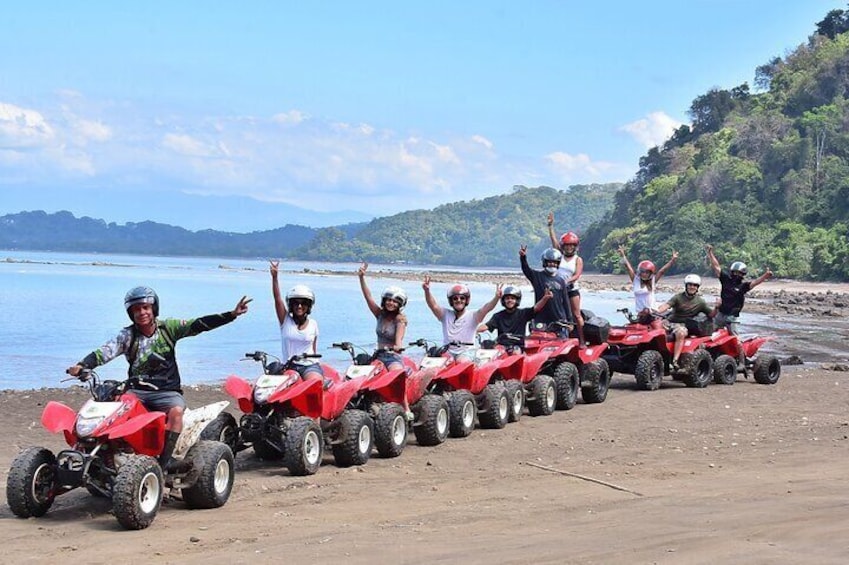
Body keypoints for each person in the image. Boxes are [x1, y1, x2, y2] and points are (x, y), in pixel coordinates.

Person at [67, 286, 251, 469]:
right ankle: (113, 454)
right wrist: (83, 365)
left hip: (166, 391)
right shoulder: (128, 335)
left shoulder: (168, 329)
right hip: (137, 390)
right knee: (114, 411)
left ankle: (166, 460)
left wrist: (231, 315)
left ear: (154, 308)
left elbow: (199, 324)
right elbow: (104, 352)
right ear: (131, 313)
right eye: (136, 309)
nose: (142, 313)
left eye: (145, 307)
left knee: (177, 412)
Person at [706, 244, 774, 371]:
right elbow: (716, 267)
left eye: (739, 273)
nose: (737, 274)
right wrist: (710, 254)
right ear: (732, 272)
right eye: (735, 272)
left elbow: (755, 283)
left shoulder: (743, 286)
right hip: (720, 314)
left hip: (732, 317)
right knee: (710, 335)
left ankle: (742, 362)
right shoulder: (725, 279)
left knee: (736, 339)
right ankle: (712, 356)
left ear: (743, 274)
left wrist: (765, 275)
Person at [423, 276, 501, 363]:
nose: (458, 300)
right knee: (441, 361)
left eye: (462, 298)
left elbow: (487, 308)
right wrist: (427, 291)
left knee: (462, 361)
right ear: (451, 301)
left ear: (466, 300)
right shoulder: (445, 314)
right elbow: (433, 305)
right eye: (455, 298)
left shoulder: (474, 316)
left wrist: (496, 298)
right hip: (448, 350)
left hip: (467, 351)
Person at [270, 260, 324, 380]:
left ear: (309, 306)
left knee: (315, 382)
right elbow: (277, 299)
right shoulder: (285, 321)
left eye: (303, 303)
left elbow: (314, 349)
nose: (299, 306)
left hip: (309, 366)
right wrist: (275, 278)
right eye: (296, 303)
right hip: (289, 366)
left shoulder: (313, 324)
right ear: (291, 305)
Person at [655, 274, 716, 370]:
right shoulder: (678, 297)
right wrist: (656, 311)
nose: (692, 287)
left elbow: (711, 314)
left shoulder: (700, 302)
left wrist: (717, 307)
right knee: (654, 328)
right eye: (690, 284)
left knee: (681, 332)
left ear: (697, 288)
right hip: (669, 321)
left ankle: (675, 361)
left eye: (695, 285)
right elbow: (666, 305)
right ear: (686, 285)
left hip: (683, 325)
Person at [357, 262, 408, 371]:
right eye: (389, 300)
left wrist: (396, 347)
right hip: (378, 356)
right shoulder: (380, 314)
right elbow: (368, 297)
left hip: (392, 358)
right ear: (384, 301)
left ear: (400, 304)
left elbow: (399, 342)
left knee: (396, 372)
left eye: (395, 301)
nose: (391, 303)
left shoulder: (400, 320)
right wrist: (361, 277)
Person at [477, 285, 553, 353]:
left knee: (515, 352)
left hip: (517, 346)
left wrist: (545, 298)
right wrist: (474, 330)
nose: (510, 300)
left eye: (512, 298)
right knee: (487, 350)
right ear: (504, 300)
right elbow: (487, 326)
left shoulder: (523, 313)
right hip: (502, 346)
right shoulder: (498, 316)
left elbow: (536, 308)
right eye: (507, 298)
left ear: (517, 300)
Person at [547, 212, 586, 344]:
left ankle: (581, 340)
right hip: (558, 289)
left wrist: (566, 281)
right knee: (557, 314)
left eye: (571, 246)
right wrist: (550, 226)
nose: (569, 248)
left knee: (576, 314)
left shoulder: (577, 259)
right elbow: (554, 242)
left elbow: (577, 275)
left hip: (571, 289)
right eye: (567, 246)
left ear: (575, 247)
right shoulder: (559, 255)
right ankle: (559, 338)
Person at [520, 245, 574, 337]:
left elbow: (565, 302)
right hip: (541, 320)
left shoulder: (561, 280)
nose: (552, 264)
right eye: (549, 262)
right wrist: (523, 257)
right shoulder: (537, 276)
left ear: (558, 263)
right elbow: (526, 270)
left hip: (559, 320)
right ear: (545, 263)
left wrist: (570, 321)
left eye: (554, 262)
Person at [618, 244, 678, 327]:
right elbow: (628, 268)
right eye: (643, 272)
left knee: (657, 327)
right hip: (641, 314)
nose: (644, 274)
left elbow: (662, 271)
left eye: (647, 272)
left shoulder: (652, 281)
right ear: (640, 272)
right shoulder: (636, 280)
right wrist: (623, 255)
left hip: (652, 313)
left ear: (650, 273)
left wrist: (672, 260)